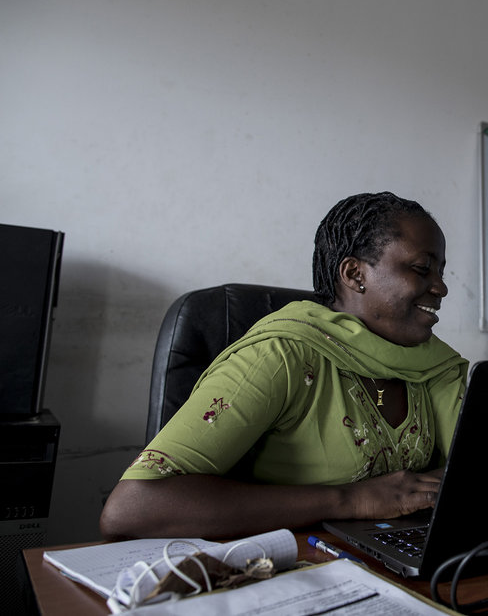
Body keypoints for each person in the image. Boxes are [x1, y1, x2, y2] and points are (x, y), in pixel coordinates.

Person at [100, 192, 468, 540]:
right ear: (355, 274)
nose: (441, 288)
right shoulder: (282, 356)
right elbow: (132, 509)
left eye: (441, 272)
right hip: (292, 566)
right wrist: (353, 499)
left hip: (405, 555)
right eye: (422, 269)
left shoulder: (435, 366)